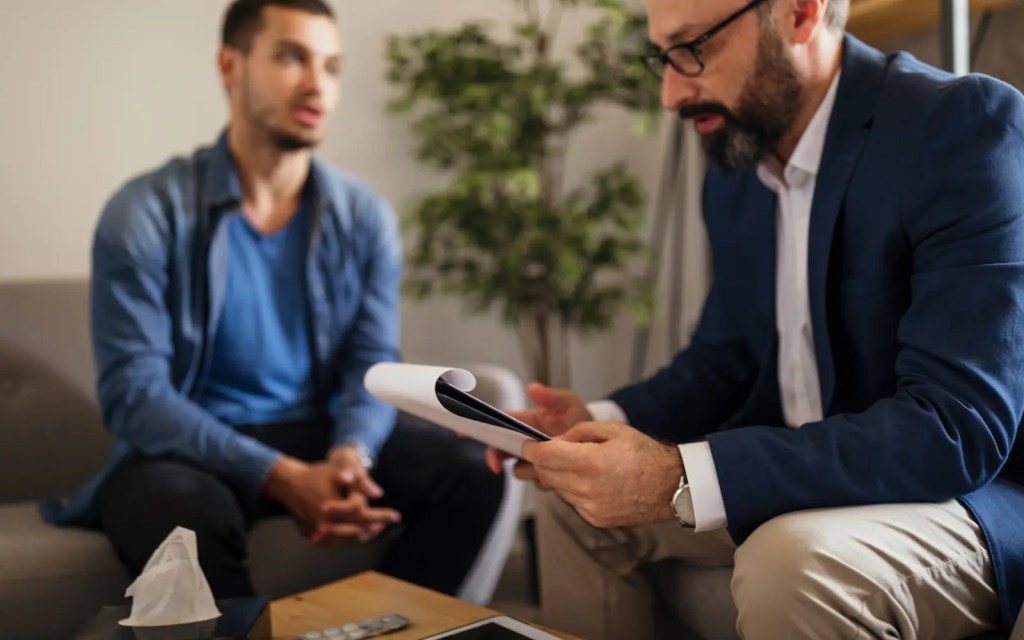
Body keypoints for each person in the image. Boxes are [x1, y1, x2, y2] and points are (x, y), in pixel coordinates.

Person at [487, 0, 1024, 637]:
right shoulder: (738, 163)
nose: (668, 93)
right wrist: (598, 422)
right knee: (574, 510)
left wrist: (682, 476)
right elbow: (725, 358)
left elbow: (956, 429)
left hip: (966, 496)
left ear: (799, 13)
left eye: (693, 49)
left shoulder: (957, 126)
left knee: (788, 561)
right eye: (662, 56)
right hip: (811, 478)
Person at [40, 0, 504, 599]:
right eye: (292, 58)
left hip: (314, 430)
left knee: (470, 472)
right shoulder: (144, 213)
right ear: (229, 66)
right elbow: (135, 398)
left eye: (333, 66)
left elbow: (371, 362)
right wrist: (279, 477)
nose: (318, 85)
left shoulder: (364, 217)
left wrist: (351, 455)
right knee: (180, 516)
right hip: (187, 446)